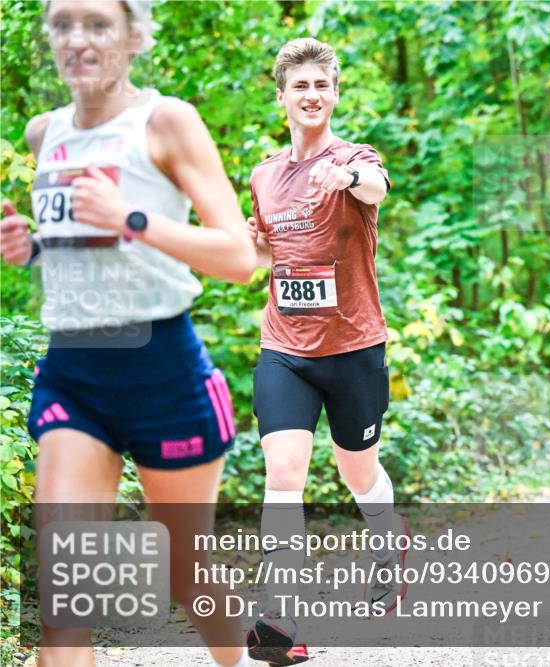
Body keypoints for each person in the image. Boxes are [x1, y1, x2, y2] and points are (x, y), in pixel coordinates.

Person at [0, 2, 257, 667]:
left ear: (134, 36)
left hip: (163, 370)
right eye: (61, 24)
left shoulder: (167, 122)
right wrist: (29, 248)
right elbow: (78, 248)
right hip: (74, 373)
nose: (75, 39)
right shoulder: (43, 133)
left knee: (185, 573)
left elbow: (236, 255)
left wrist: (131, 216)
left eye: (96, 24)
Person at [243, 38, 404, 667]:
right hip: (284, 347)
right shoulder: (263, 173)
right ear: (281, 96)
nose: (312, 95)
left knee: (356, 470)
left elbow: (377, 188)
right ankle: (279, 621)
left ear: (334, 94)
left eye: (322, 85)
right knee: (283, 473)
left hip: (354, 347)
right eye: (300, 86)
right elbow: (267, 255)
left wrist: (353, 178)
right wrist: (252, 244)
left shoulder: (354, 158)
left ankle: (389, 541)